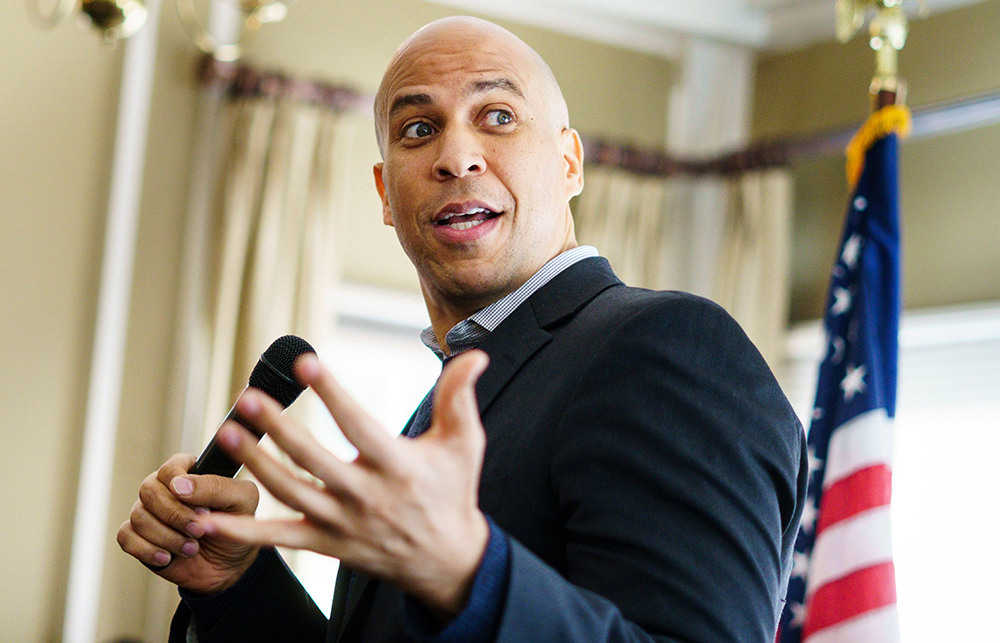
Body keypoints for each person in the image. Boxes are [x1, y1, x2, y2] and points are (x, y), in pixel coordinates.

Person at [118, 16, 807, 643]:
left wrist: (470, 574)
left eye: (498, 116)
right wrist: (239, 583)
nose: (457, 157)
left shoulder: (668, 347)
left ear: (570, 163)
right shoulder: (444, 405)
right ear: (388, 194)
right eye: (419, 129)